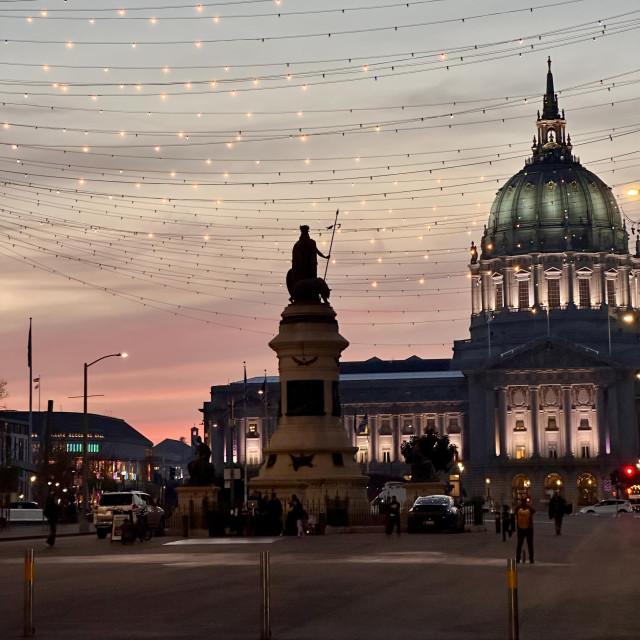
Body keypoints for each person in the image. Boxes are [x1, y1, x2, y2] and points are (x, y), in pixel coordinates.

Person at [514, 497, 535, 563]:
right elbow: (534, 511)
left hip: (520, 528)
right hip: (529, 528)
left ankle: (517, 559)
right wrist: (528, 505)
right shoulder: (529, 507)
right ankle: (531, 559)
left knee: (519, 544)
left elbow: (514, 512)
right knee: (530, 544)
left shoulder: (518, 507)